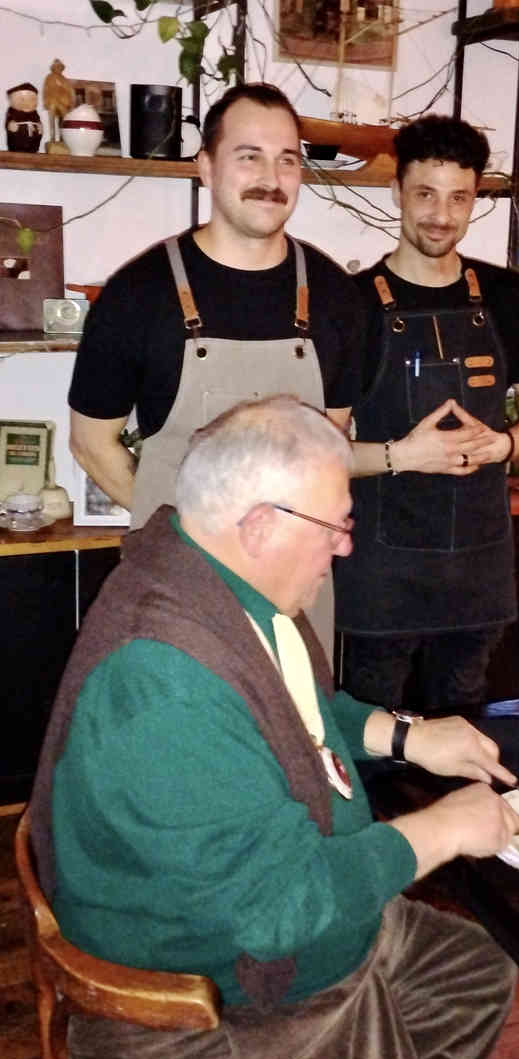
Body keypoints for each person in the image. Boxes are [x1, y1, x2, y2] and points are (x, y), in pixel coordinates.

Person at [30, 396, 519, 1059]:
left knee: (476, 972)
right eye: (336, 524)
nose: (345, 546)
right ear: (260, 523)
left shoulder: (216, 582)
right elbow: (279, 908)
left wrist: (405, 734)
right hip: (206, 1026)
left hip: (285, 950)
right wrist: (443, 829)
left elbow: (295, 707)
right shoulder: (162, 684)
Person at [67, 82, 364, 659]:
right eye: (249, 156)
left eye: (287, 160)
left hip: (296, 585)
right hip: (179, 583)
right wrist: (185, 534)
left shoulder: (335, 297)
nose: (271, 178)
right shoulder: (138, 294)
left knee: (297, 713)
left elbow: (330, 445)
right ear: (205, 167)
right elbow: (91, 443)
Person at [329, 115, 519, 716]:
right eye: (425, 194)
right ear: (397, 191)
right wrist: (403, 455)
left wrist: (504, 445)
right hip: (382, 574)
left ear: (475, 199)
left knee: (463, 725)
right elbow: (320, 451)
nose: (441, 214)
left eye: (459, 197)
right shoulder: (352, 305)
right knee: (372, 734)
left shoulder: (507, 296)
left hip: (478, 570)